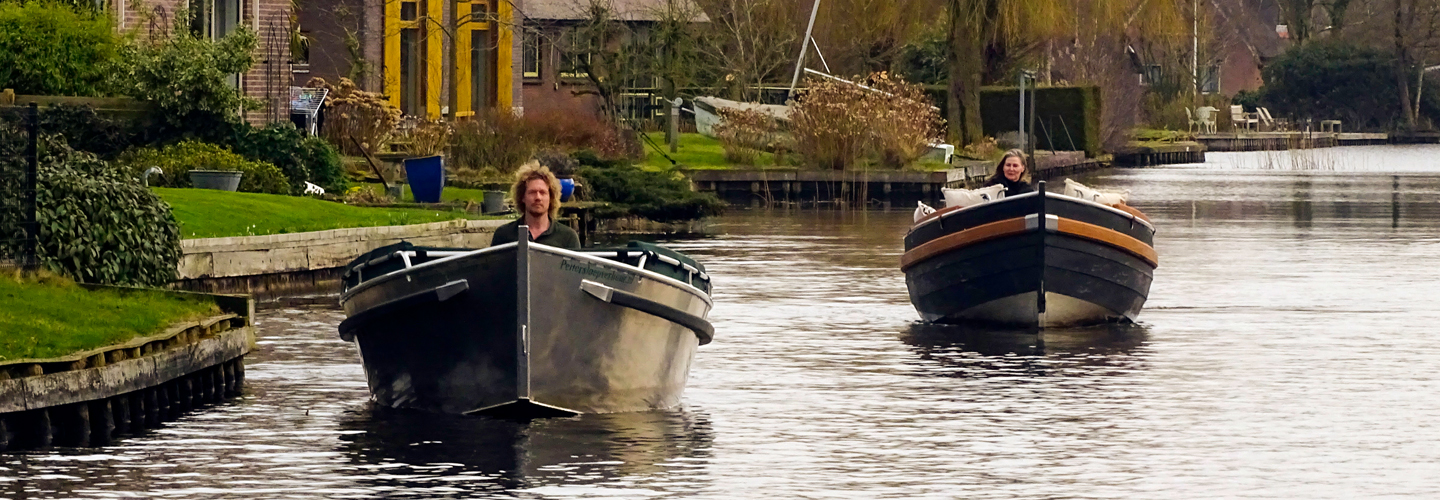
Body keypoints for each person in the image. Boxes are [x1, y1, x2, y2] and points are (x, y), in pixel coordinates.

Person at [490, 161, 581, 249]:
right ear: (522, 197)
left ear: (551, 198)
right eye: (532, 192)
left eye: (543, 192)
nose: (538, 197)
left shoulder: (568, 238)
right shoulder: (503, 235)